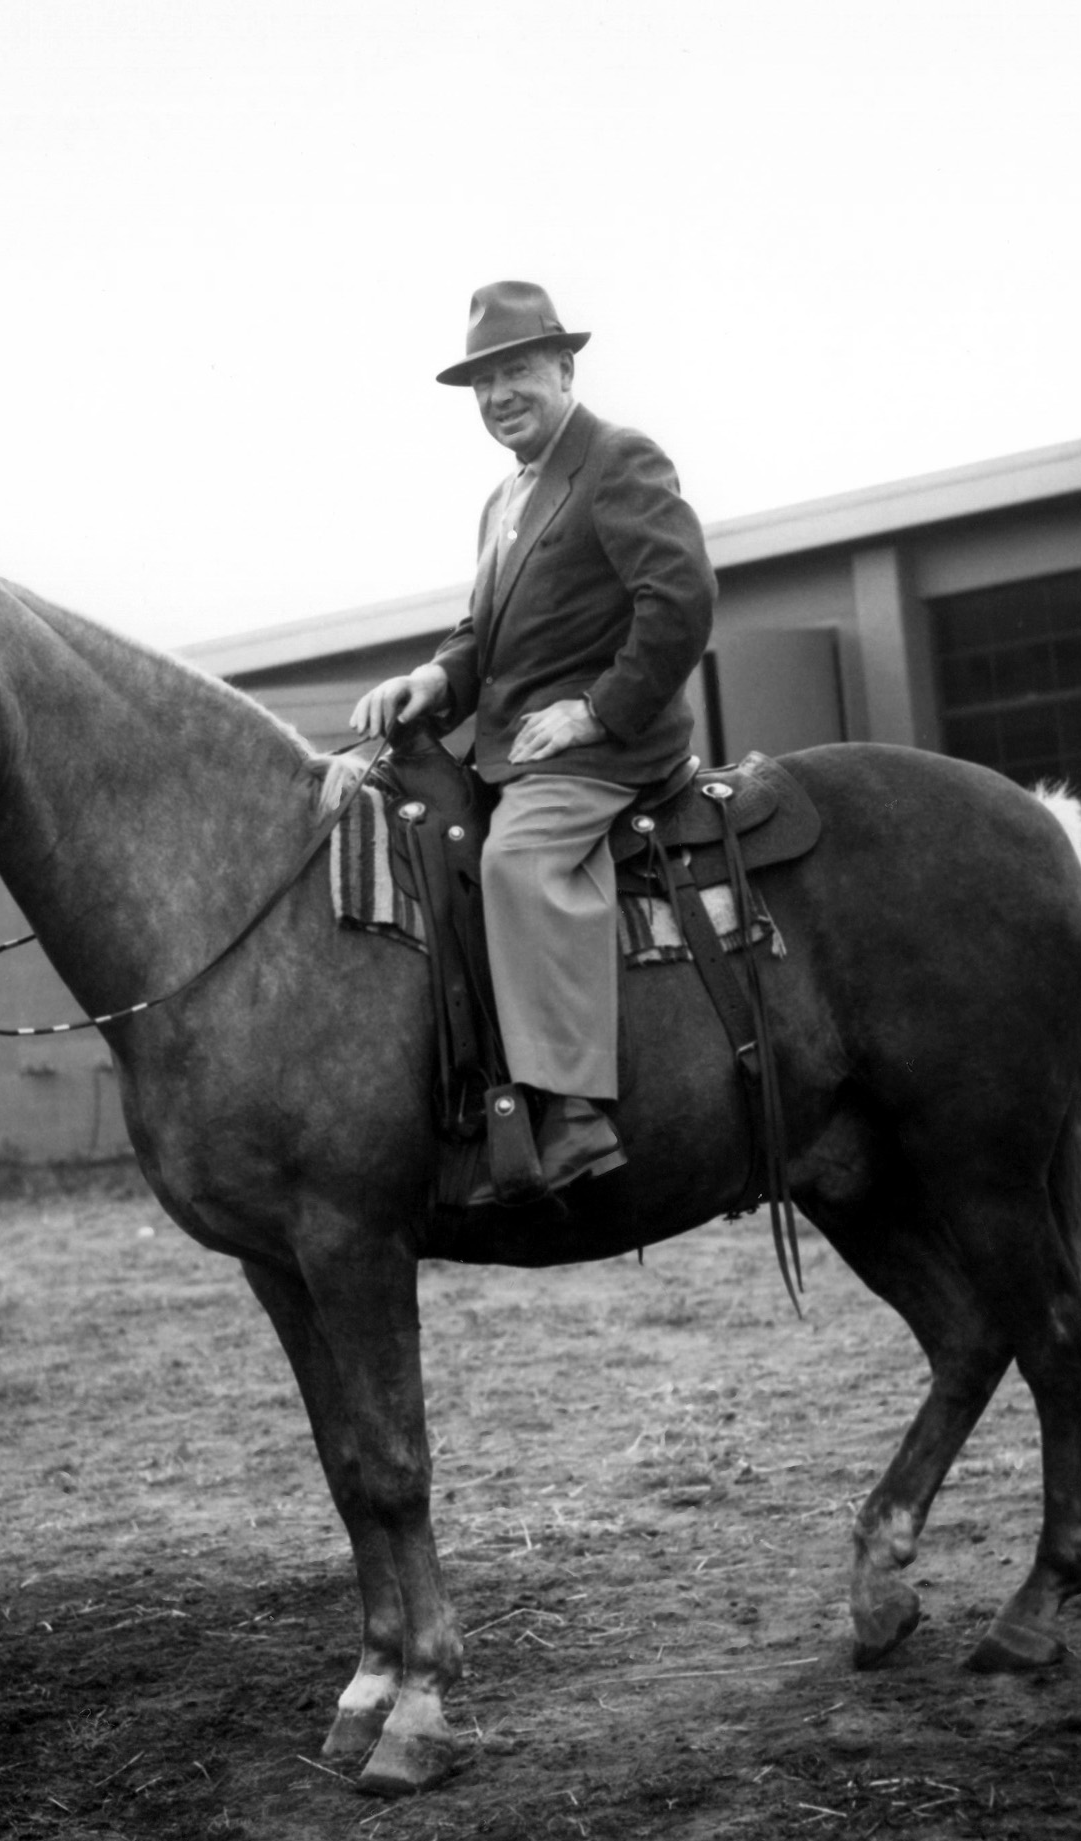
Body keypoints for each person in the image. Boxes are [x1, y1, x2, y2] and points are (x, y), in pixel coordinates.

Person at [352, 280, 717, 1198]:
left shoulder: (618, 460)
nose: (498, 395)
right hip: (519, 745)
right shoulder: (504, 500)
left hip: (604, 749)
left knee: (516, 861)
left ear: (564, 366)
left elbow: (678, 603)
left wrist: (596, 711)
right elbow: (488, 633)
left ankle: (575, 1114)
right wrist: (434, 678)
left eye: (515, 370)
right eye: (482, 383)